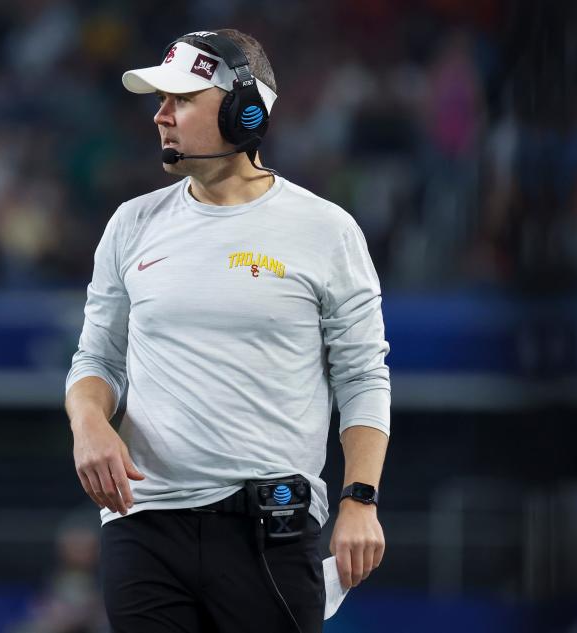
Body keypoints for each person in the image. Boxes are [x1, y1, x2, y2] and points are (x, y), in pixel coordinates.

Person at [65, 29, 391, 633]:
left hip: (268, 528)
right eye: (160, 100)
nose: (161, 115)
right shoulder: (131, 224)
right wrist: (89, 427)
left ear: (245, 110)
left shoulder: (326, 230)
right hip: (144, 524)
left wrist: (359, 500)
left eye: (181, 99)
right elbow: (97, 360)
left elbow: (363, 375)